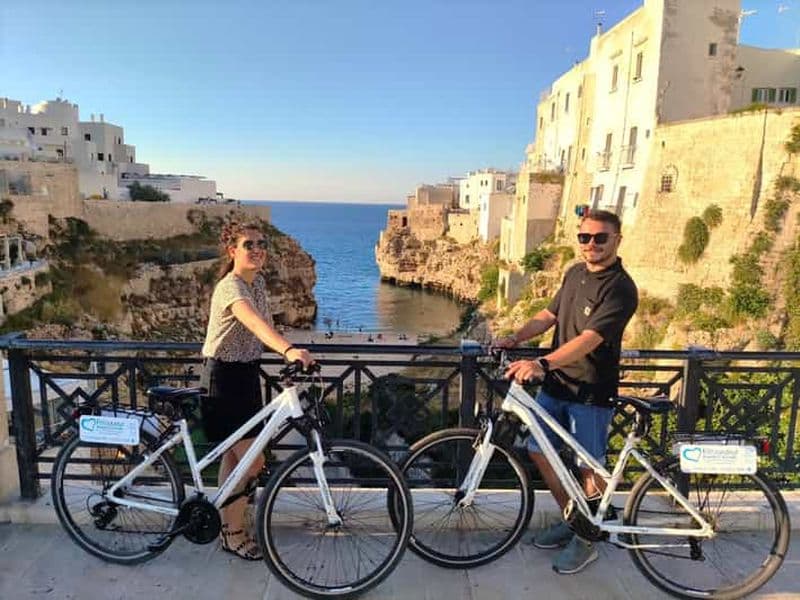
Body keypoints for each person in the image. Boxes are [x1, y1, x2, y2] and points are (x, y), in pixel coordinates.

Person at [495, 209, 638, 575]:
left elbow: (590, 340)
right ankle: (573, 519)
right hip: (557, 385)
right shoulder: (574, 273)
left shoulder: (621, 288)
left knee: (588, 468)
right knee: (537, 451)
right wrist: (516, 337)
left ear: (617, 240)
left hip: (590, 391)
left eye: (600, 238)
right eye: (584, 237)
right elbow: (549, 315)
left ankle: (589, 538)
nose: (591, 244)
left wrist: (542, 363)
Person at [200, 220, 313, 561]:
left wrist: (284, 347)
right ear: (232, 251)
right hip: (223, 380)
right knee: (252, 463)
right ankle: (233, 535)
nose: (257, 249)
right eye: (248, 244)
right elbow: (253, 323)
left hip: (246, 376)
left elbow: (265, 325)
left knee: (235, 460)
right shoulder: (230, 287)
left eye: (261, 243)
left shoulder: (258, 283)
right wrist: (289, 350)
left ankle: (226, 527)